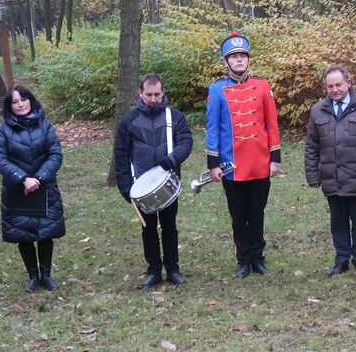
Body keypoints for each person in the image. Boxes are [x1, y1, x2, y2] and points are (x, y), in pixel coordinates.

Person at [205, 32, 282, 278]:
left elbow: (272, 124)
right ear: (226, 62)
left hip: (260, 162)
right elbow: (213, 128)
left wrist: (275, 159)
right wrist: (213, 164)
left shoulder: (263, 85)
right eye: (234, 57)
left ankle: (258, 258)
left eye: (242, 56)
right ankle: (243, 259)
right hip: (231, 165)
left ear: (248, 60)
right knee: (238, 215)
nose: (239, 60)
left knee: (257, 213)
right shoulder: (216, 89)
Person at [305, 64, 356, 276]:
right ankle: (341, 261)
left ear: (348, 83)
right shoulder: (317, 111)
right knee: (338, 223)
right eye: (330, 86)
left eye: (338, 84)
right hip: (332, 178)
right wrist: (313, 175)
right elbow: (312, 146)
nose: (334, 89)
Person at [114, 74, 193, 287]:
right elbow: (120, 155)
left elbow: (186, 142)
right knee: (148, 229)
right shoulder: (129, 120)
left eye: (157, 94)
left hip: (167, 183)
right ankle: (154, 271)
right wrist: (125, 187)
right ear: (140, 93)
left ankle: (173, 270)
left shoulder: (174, 117)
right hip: (141, 187)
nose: (153, 98)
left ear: (163, 92)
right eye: (149, 94)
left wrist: (173, 159)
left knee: (169, 227)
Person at [0, 86, 66, 292]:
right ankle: (32, 276)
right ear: (10, 106)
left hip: (45, 185)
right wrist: (23, 178)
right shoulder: (2, 129)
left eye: (23, 99)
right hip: (16, 188)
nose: (20, 104)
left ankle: (46, 275)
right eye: (15, 102)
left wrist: (39, 178)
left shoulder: (45, 125)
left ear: (31, 101)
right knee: (22, 233)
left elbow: (55, 154)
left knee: (45, 231)